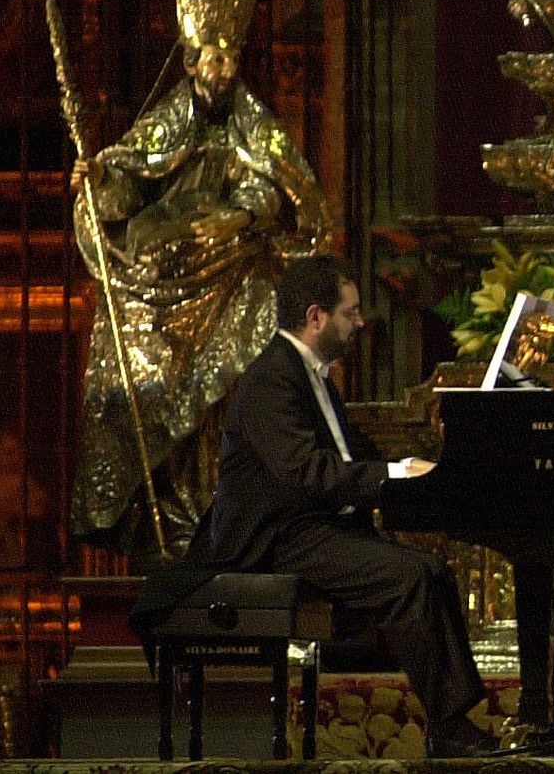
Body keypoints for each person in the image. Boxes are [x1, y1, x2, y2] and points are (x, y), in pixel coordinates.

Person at [131, 256, 497, 757]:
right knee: (409, 578)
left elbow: (350, 455)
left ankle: (453, 722)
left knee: (432, 571)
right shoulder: (270, 380)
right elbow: (305, 470)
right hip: (275, 538)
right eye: (351, 312)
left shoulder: (312, 375)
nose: (360, 322)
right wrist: (393, 475)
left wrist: (412, 466)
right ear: (315, 316)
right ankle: (451, 730)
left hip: (312, 528)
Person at [69, 0, 331, 566]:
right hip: (161, 295)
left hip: (236, 284)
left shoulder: (256, 128)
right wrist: (98, 177)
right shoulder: (165, 123)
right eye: (212, 55)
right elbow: (127, 183)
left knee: (231, 402)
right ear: (189, 61)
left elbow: (299, 200)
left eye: (231, 55)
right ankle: (165, 536)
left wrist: (243, 219)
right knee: (151, 398)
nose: (223, 67)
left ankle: (223, 531)